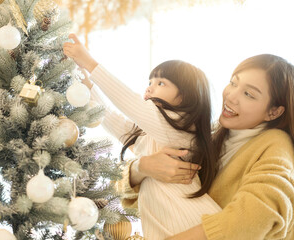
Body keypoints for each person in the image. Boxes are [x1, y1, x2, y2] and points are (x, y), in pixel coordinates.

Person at [63, 34, 221, 240]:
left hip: (193, 225)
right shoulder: (151, 137)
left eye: (161, 83)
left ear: (185, 96)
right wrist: (88, 87)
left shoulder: (183, 131)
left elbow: (132, 104)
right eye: (150, 81)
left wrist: (90, 63)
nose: (149, 87)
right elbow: (111, 119)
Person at [123, 54, 294, 239]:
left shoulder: (275, 145)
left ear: (274, 111)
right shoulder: (211, 135)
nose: (231, 96)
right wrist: (141, 168)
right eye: (233, 83)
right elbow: (157, 199)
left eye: (248, 94)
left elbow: (261, 213)